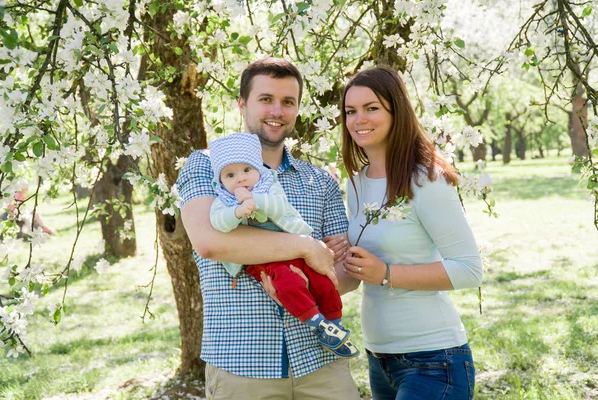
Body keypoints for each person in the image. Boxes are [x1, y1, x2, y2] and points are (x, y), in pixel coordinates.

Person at [177, 58, 360, 399]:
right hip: (242, 365)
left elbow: (346, 268)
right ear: (242, 104)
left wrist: (309, 282)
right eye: (266, 99)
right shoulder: (206, 165)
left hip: (322, 362)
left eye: (288, 102)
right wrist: (306, 248)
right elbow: (210, 242)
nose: (277, 110)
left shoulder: (319, 180)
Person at [339, 66, 484, 400]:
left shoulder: (426, 180)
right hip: (378, 360)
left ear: (396, 111)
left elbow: (469, 268)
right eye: (351, 111)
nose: (359, 118)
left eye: (372, 108)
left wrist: (386, 273)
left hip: (433, 360)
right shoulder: (355, 182)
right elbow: (364, 263)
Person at [208, 132, 359, 358]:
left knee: (323, 280)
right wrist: (237, 211)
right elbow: (218, 223)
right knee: (288, 284)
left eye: (247, 170)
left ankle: (335, 323)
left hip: (298, 251)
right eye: (230, 175)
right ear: (220, 182)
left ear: (258, 170)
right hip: (264, 260)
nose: (240, 179)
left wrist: (254, 200)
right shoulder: (224, 200)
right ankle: (318, 324)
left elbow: (279, 208)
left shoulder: (269, 187)